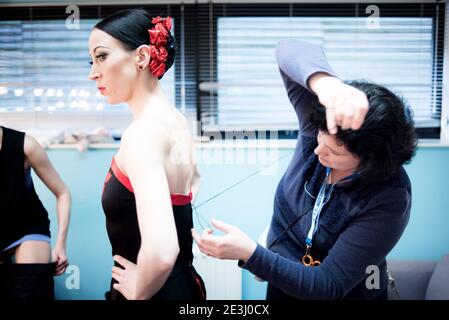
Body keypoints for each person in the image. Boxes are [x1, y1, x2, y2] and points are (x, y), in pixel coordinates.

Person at [192, 39, 418, 300]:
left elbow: (327, 286)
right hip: (282, 289)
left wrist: (250, 253)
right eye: (321, 136)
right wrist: (328, 86)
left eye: (334, 152)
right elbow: (289, 48)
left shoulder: (389, 196)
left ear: (369, 161)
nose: (317, 151)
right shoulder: (322, 130)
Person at [89, 8, 205, 300]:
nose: (93, 73)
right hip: (183, 284)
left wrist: (140, 293)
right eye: (91, 60)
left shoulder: (143, 133)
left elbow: (163, 250)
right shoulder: (175, 121)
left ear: (141, 57)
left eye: (101, 57)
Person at [0, 126, 71, 300]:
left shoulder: (26, 145)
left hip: (27, 226)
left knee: (31, 290)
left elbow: (62, 193)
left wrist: (61, 244)